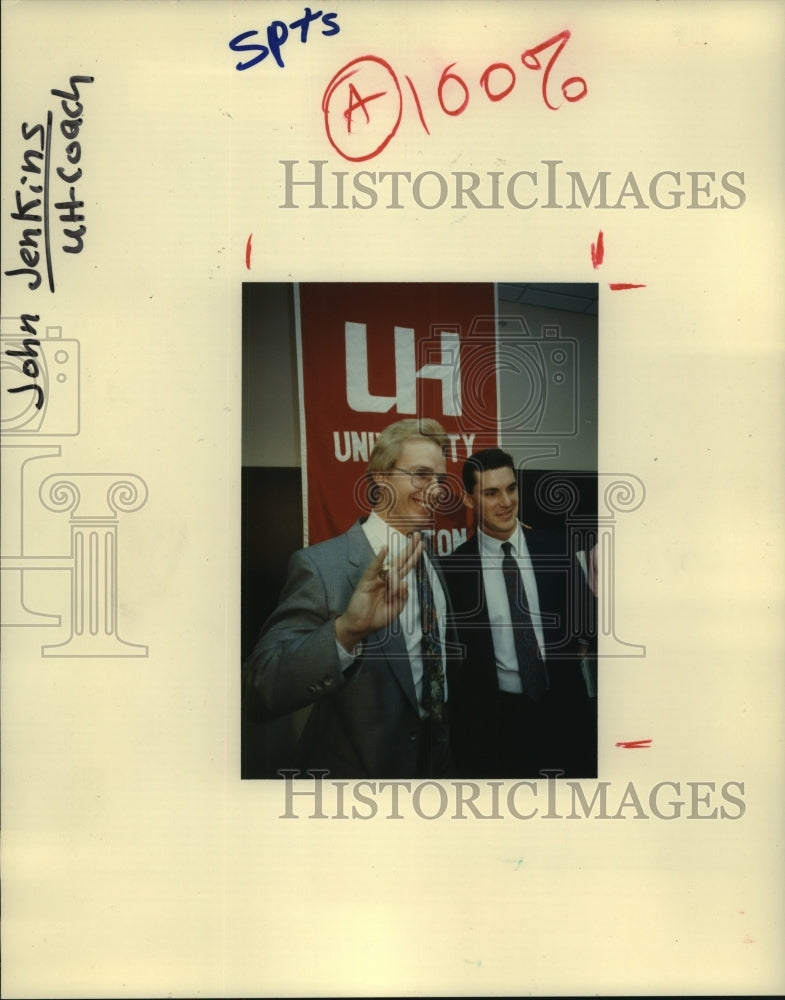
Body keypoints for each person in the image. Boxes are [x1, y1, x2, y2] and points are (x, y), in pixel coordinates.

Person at [243, 418, 459, 779]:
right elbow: (260, 688)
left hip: (436, 766)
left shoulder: (428, 557)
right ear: (380, 478)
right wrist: (345, 631)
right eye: (422, 474)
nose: (436, 491)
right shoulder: (321, 566)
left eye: (441, 480)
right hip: (359, 781)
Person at [444, 448, 597, 778]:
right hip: (496, 724)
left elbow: (588, 619)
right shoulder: (453, 570)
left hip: (564, 714)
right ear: (469, 500)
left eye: (511, 488)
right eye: (491, 493)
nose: (506, 502)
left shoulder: (556, 548)